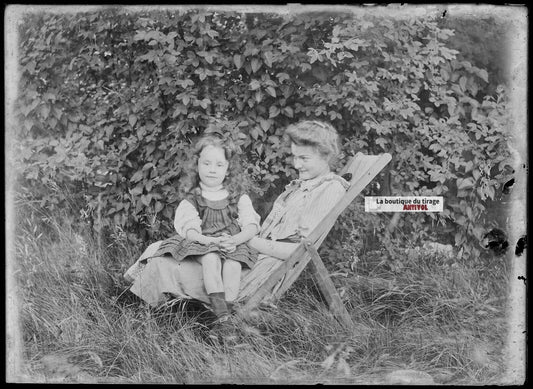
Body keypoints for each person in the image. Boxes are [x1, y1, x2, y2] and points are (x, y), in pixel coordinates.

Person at [125, 120, 348, 337]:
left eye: (304, 158)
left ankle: (135, 321)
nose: (296, 164)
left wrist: (242, 240)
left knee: (163, 264)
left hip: (261, 268)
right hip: (250, 253)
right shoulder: (301, 186)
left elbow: (298, 251)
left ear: (325, 155)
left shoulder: (329, 190)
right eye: (295, 156)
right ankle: (137, 306)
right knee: (162, 247)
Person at [125, 131, 260, 336]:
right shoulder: (194, 198)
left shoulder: (237, 197)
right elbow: (190, 229)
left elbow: (251, 225)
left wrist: (235, 240)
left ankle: (227, 318)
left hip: (232, 242)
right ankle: (221, 316)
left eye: (218, 165)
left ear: (228, 168)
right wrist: (209, 241)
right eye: (206, 164)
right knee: (211, 259)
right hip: (203, 242)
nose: (212, 170)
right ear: (197, 165)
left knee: (233, 265)